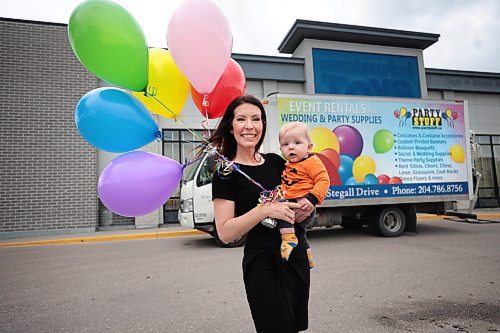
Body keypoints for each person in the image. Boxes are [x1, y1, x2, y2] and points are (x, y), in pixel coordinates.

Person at [210, 95, 314, 333]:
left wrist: (307, 205)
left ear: (263, 126)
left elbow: (303, 191)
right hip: (262, 263)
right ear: (231, 126)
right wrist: (264, 209)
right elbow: (225, 233)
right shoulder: (225, 174)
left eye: (256, 119)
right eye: (241, 119)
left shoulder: (278, 162)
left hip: (294, 255)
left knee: (294, 326)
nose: (250, 126)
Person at [277, 122, 330, 268]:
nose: (291, 147)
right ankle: (308, 258)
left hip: (304, 203)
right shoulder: (289, 165)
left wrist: (312, 199)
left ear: (309, 147)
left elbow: (323, 180)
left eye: (297, 142)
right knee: (300, 233)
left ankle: (287, 239)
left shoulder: (312, 161)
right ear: (281, 148)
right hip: (292, 200)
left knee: (283, 217)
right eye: (285, 144)